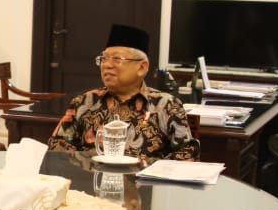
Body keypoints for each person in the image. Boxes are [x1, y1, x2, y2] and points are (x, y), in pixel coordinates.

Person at [48, 24, 197, 162]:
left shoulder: (166, 105)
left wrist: (151, 173)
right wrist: (86, 165)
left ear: (142, 68)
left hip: (145, 186)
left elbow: (186, 153)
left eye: (117, 59)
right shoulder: (84, 102)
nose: (107, 65)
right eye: (104, 58)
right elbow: (57, 146)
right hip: (92, 184)